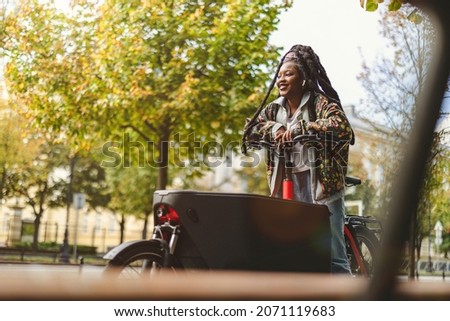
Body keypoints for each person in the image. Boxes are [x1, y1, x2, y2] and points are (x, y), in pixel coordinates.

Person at [243, 44, 354, 274]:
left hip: (322, 188)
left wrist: (300, 128)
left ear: (303, 78)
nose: (281, 80)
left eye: (289, 74)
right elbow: (250, 130)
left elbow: (343, 128)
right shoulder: (273, 110)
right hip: (287, 186)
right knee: (290, 253)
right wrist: (276, 129)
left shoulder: (319, 103)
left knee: (333, 256)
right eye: (280, 75)